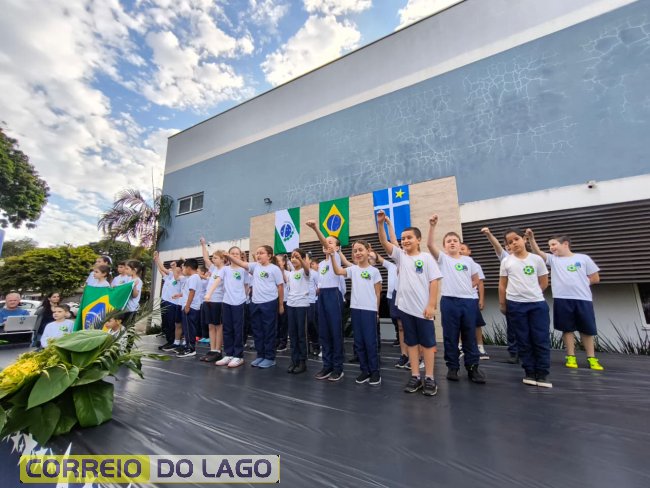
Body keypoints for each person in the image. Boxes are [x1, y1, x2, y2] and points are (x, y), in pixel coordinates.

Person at [377, 209, 442, 396]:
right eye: (403, 238)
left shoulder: (426, 258)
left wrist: (431, 305)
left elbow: (434, 282)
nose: (405, 241)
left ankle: (429, 377)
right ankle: (415, 376)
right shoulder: (400, 256)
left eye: (409, 238)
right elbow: (384, 242)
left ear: (418, 240)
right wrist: (381, 224)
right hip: (405, 309)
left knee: (427, 345)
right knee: (411, 343)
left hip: (423, 311)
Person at [526, 229, 604, 371]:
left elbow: (595, 278)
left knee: (587, 329)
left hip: (583, 299)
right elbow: (538, 252)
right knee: (567, 329)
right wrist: (531, 239)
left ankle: (592, 358)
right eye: (549, 245)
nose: (551, 248)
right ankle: (571, 356)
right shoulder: (553, 259)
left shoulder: (583, 258)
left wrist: (580, 284)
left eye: (554, 244)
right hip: (562, 299)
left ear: (565, 244)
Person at [427, 215, 486, 384]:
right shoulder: (443, 259)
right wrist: (432, 226)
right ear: (445, 246)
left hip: (468, 302)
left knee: (469, 335)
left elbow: (476, 279)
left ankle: (472, 367)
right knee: (450, 336)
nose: (452, 243)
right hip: (449, 302)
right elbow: (430, 245)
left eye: (455, 241)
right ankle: (452, 367)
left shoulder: (469, 260)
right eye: (448, 241)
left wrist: (466, 288)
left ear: (460, 245)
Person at [499, 228, 552, 388]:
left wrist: (532, 293)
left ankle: (542, 373)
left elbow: (544, 282)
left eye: (516, 239)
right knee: (523, 339)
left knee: (541, 338)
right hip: (515, 305)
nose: (514, 243)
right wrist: (503, 304)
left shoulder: (536, 259)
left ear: (524, 239)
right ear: (507, 246)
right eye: (510, 242)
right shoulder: (506, 261)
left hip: (537, 305)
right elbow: (502, 285)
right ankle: (529, 371)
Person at [330, 241, 383, 386]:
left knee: (370, 342)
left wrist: (377, 312)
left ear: (368, 250)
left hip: (370, 310)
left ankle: (375, 372)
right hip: (355, 309)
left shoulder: (374, 271)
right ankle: (364, 370)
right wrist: (333, 255)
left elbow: (378, 293)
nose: (358, 253)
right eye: (355, 251)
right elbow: (338, 271)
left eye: (360, 250)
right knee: (359, 342)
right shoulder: (353, 269)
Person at [228, 245, 284, 369]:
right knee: (257, 330)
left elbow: (280, 286)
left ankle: (269, 357)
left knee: (269, 331)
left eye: (261, 253)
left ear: (269, 256)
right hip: (255, 303)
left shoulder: (274, 269)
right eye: (257, 253)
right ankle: (260, 355)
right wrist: (229, 256)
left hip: (269, 303)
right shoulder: (255, 266)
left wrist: (280, 305)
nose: (258, 255)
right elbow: (241, 263)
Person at [305, 220, 347, 381]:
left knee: (335, 332)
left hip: (333, 295)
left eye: (330, 242)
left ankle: (338, 367)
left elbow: (327, 246)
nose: (327, 244)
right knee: (324, 332)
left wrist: (316, 228)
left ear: (337, 248)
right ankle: (327, 365)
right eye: (326, 241)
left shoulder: (335, 258)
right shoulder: (322, 264)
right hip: (322, 296)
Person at [209, 246, 251, 368]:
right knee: (227, 329)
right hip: (226, 302)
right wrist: (209, 293)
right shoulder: (225, 269)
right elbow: (217, 281)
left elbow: (246, 286)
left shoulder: (243, 270)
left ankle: (238, 356)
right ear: (228, 255)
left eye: (237, 253)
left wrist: (242, 297)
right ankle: (229, 354)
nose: (234, 255)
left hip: (239, 303)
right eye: (232, 253)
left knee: (238, 330)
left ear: (240, 256)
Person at [481, 226, 519, 363]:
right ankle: (514, 353)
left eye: (515, 240)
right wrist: (489, 234)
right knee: (513, 328)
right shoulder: (506, 258)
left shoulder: (531, 259)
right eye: (508, 244)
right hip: (512, 299)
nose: (511, 245)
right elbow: (496, 246)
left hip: (529, 300)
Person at [459, 243, 489, 360]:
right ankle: (460, 346)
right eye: (459, 249)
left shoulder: (475, 265)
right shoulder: (452, 263)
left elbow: (480, 283)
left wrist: (481, 299)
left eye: (463, 249)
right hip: (458, 298)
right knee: (459, 323)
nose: (460, 251)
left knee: (477, 323)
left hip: (472, 298)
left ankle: (480, 347)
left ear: (469, 251)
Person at [199, 238, 226, 362]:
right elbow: (205, 258)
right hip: (208, 301)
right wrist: (203, 245)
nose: (213, 259)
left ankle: (218, 350)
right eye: (213, 257)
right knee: (210, 326)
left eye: (216, 258)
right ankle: (212, 349)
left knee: (218, 326)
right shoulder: (214, 269)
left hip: (218, 301)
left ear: (222, 259)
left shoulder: (225, 269)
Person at [285, 249, 311, 374]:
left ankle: (302, 361)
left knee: (301, 334)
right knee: (293, 334)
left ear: (303, 259)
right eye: (292, 257)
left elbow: (307, 270)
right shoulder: (290, 273)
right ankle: (294, 360)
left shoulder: (305, 272)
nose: (294, 259)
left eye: (297, 257)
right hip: (291, 305)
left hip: (302, 305)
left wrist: (301, 259)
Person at [154, 253, 181, 351]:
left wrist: (158, 259)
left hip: (173, 303)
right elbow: (162, 269)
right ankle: (169, 341)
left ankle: (173, 341)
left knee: (171, 324)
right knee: (165, 323)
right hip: (164, 301)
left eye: (177, 268)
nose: (174, 269)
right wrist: (157, 260)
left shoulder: (180, 278)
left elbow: (164, 269)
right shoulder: (170, 277)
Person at [177, 258, 202, 358]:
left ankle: (191, 348)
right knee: (188, 328)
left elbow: (192, 292)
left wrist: (187, 306)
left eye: (184, 268)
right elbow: (189, 292)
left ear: (188, 268)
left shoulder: (193, 278)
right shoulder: (194, 277)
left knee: (189, 329)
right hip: (191, 306)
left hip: (191, 307)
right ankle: (188, 346)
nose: (183, 270)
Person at [275, 253, 290, 352]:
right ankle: (276, 341)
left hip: (285, 300)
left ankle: (283, 342)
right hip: (275, 299)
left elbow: (286, 282)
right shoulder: (273, 271)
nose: (277, 263)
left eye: (279, 261)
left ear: (284, 262)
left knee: (284, 323)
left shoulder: (288, 273)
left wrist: (281, 271)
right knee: (276, 323)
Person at [122, 260, 143, 325]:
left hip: (131, 309)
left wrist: (134, 286)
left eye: (127, 269)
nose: (125, 270)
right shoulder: (129, 279)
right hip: (125, 308)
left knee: (128, 327)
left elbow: (135, 295)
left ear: (134, 270)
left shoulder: (138, 281)